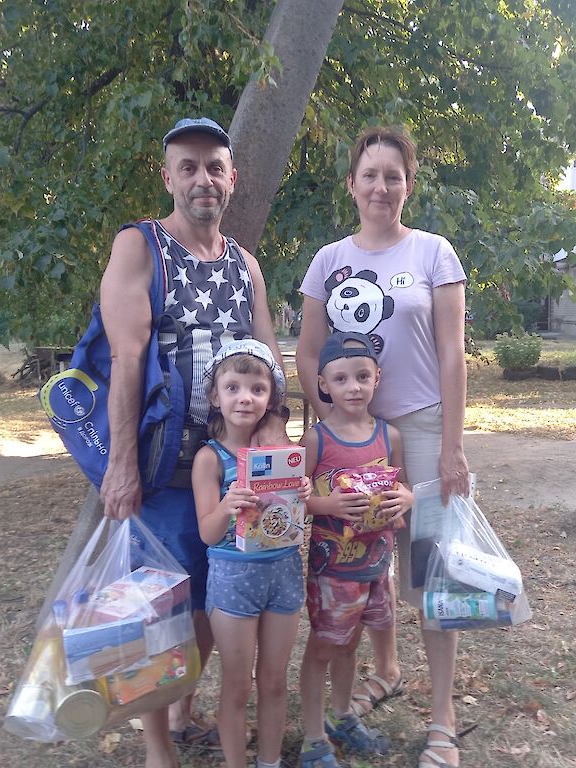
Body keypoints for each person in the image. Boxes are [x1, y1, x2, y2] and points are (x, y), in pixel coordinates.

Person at [99, 117, 287, 768]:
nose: (202, 178)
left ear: (232, 179)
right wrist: (122, 464)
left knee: (211, 599)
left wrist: (276, 443)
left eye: (214, 167)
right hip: (161, 472)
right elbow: (126, 359)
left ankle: (180, 711)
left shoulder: (245, 267)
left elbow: (269, 361)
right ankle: (158, 748)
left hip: (230, 472)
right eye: (188, 166)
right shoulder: (140, 247)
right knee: (157, 611)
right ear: (168, 177)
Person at [296, 126, 471, 768]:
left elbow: (452, 354)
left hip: (421, 430)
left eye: (393, 176)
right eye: (369, 174)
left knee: (431, 576)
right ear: (351, 184)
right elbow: (307, 354)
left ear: (408, 185)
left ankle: (443, 719)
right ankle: (376, 678)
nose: (380, 186)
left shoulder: (434, 254)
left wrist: (452, 446)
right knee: (357, 564)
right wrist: (333, 429)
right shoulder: (327, 261)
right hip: (352, 439)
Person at [191, 340, 312, 768]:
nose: (245, 398)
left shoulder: (282, 456)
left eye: (257, 389)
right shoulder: (209, 459)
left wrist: (301, 492)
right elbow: (208, 534)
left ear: (270, 398)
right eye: (233, 388)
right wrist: (227, 505)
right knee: (238, 685)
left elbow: (293, 517)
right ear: (215, 396)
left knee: (274, 681)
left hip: (283, 572)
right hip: (233, 579)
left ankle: (270, 760)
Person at [297, 331, 414, 768]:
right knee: (323, 648)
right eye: (341, 379)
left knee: (350, 646)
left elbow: (403, 485)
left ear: (376, 378)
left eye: (363, 377)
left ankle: (342, 715)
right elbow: (292, 501)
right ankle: (313, 739)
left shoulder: (390, 436)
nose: (353, 387)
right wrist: (327, 504)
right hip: (333, 573)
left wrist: (407, 498)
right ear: (323, 384)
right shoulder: (316, 441)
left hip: (377, 567)